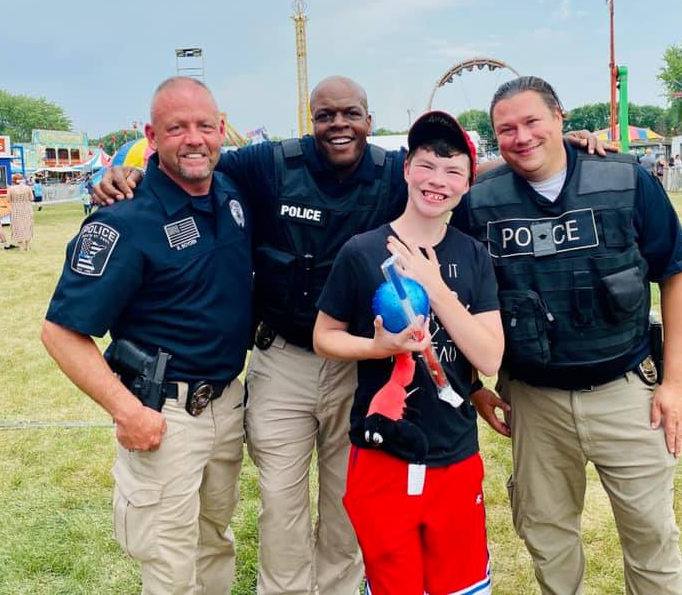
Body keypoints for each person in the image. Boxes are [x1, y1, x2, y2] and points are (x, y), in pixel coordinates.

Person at [93, 75, 608, 595]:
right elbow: (192, 161)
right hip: (284, 358)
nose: (338, 125)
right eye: (326, 115)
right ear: (311, 120)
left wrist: (560, 147)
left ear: (368, 119)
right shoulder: (271, 163)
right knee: (282, 503)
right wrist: (128, 173)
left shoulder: (392, 172)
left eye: (351, 114)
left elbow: (457, 171)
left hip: (358, 369)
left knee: (346, 505)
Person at [451, 76, 682, 595]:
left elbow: (676, 275)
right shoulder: (479, 204)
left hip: (626, 391)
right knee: (547, 536)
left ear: (560, 117)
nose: (521, 137)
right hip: (534, 400)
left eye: (532, 121)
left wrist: (675, 385)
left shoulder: (627, 180)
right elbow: (461, 301)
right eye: (507, 129)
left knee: (651, 534)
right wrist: (472, 384)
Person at [41, 77, 253, 595]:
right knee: (168, 563)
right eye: (176, 128)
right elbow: (61, 332)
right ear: (151, 136)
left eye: (205, 126)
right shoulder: (124, 219)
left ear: (222, 129)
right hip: (165, 416)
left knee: (215, 543)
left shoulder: (231, 192)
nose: (194, 139)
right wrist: (127, 412)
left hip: (227, 406)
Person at [313, 111, 503, 595]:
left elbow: (490, 358)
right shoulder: (361, 251)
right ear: (406, 169)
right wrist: (375, 347)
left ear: (467, 184)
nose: (437, 180)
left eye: (453, 170)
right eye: (426, 165)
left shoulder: (473, 255)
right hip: (383, 453)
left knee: (459, 586)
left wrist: (434, 286)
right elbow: (324, 336)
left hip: (455, 454)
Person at [7, 173, 34, 250]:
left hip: (16, 208)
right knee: (27, 226)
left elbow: (8, 199)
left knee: (17, 226)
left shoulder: (11, 189)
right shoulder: (27, 188)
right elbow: (31, 198)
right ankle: (27, 246)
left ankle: (21, 246)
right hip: (27, 208)